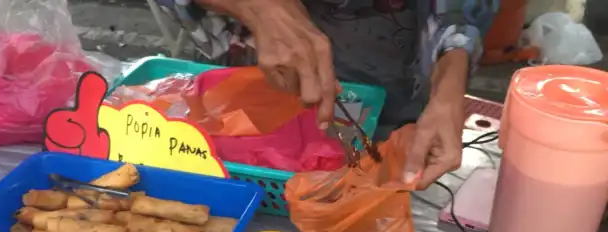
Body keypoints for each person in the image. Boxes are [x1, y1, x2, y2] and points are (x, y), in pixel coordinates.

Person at [166, 0, 498, 189]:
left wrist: (450, 81)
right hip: (243, 65)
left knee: (375, 173)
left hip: (392, 60)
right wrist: (261, 8)